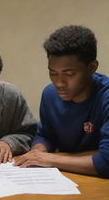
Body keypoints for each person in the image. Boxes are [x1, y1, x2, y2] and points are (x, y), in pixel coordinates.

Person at [14, 25, 109, 178]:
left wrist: (50, 159)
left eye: (69, 74)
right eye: (53, 74)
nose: (59, 83)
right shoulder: (50, 94)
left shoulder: (105, 97)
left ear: (92, 67)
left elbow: (106, 162)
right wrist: (39, 151)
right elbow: (45, 135)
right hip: (68, 177)